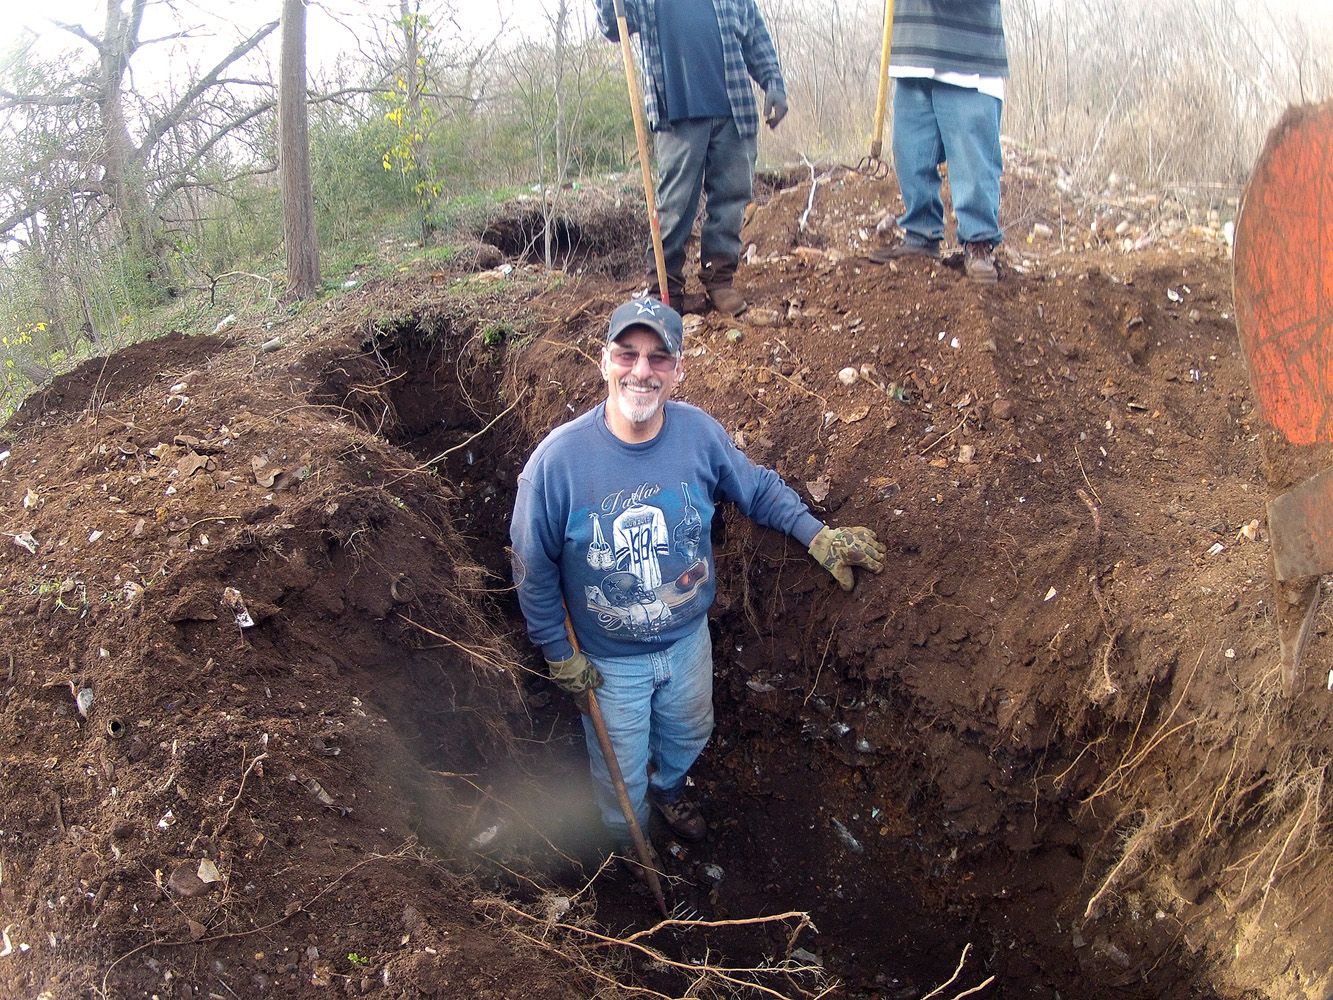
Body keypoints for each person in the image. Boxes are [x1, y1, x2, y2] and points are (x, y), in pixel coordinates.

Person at [510, 297, 884, 858]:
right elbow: (531, 568)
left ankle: (669, 791)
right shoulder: (557, 464)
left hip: (688, 642)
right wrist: (557, 652)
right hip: (608, 662)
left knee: (689, 733)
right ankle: (628, 841)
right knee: (620, 774)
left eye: (660, 358)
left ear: (679, 370)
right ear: (603, 361)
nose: (642, 371)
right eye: (628, 354)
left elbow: (755, 488)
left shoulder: (697, 436)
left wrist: (817, 536)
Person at [595, 0, 788, 317]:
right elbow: (616, 25)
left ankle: (719, 279)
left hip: (734, 108)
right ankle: (664, 289)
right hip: (677, 114)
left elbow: (754, 33)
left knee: (732, 197)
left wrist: (773, 81)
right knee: (675, 205)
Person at [868, 0, 1008, 283]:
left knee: (973, 161)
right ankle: (921, 233)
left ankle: (978, 241)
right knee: (911, 152)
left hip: (969, 55)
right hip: (912, 52)